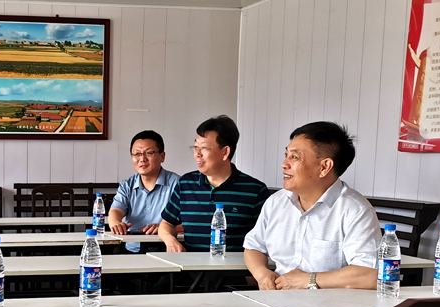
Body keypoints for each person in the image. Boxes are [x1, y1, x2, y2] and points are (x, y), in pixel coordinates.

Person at [244, 121, 380, 290]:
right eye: (286, 155)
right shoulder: (276, 202)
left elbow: (369, 275)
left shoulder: (355, 210)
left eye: (294, 157)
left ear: (324, 167)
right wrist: (262, 274)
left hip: (328, 304)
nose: (284, 164)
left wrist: (309, 280)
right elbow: (253, 247)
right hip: (276, 297)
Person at [158, 116, 270, 253]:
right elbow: (167, 223)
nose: (197, 154)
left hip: (235, 266)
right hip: (190, 265)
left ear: (225, 152)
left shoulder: (255, 191)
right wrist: (170, 241)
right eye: (195, 147)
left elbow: (268, 238)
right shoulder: (186, 184)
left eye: (204, 148)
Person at [108, 130, 180, 253]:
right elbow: (116, 210)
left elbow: (190, 221)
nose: (142, 159)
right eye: (136, 154)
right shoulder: (127, 185)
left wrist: (165, 227)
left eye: (149, 153)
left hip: (166, 249)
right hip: (132, 250)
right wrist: (116, 223)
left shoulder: (178, 184)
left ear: (162, 156)